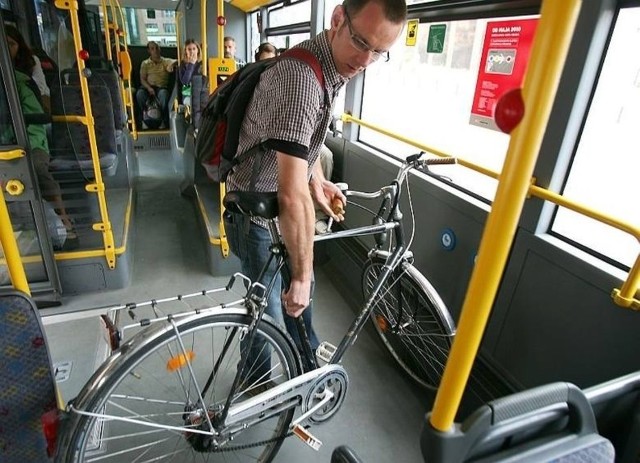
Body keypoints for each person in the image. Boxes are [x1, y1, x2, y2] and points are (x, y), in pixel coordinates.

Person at [224, 0, 406, 386]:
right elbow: (290, 197)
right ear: (337, 19)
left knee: (293, 301)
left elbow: (298, 148)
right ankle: (253, 387)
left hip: (276, 207)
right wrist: (304, 275)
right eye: (361, 42)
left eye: (379, 52)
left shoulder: (330, 67)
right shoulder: (302, 80)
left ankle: (305, 373)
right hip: (258, 214)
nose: (365, 60)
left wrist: (315, 179)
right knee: (267, 313)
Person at [5, 25, 77, 250]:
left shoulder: (23, 78)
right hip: (5, 137)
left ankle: (64, 219)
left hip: (31, 133)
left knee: (36, 167)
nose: (6, 49)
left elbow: (40, 112)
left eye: (11, 44)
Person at [136, 41, 175, 129]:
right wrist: (149, 88)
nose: (155, 50)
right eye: (152, 49)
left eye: (157, 48)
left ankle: (163, 120)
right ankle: (144, 119)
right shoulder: (145, 63)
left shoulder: (165, 61)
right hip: (147, 87)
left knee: (164, 95)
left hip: (161, 88)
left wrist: (171, 66)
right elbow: (142, 79)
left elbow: (177, 60)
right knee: (139, 95)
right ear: (149, 51)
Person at [176, 39, 208, 129]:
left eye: (194, 49)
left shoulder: (203, 64)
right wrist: (191, 65)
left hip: (201, 93)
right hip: (188, 93)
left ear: (198, 50)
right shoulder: (182, 65)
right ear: (185, 51)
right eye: (189, 49)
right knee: (192, 105)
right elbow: (185, 82)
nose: (192, 52)